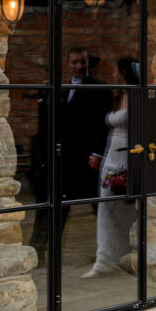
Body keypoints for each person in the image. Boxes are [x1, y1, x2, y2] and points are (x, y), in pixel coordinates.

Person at [82, 58, 139, 278]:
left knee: (126, 210)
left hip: (127, 153)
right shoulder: (119, 95)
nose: (112, 72)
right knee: (106, 207)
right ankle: (104, 259)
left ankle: (125, 257)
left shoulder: (135, 94)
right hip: (111, 153)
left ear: (123, 71)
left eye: (115, 68)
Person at [60, 46, 111, 226]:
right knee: (62, 204)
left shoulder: (99, 88)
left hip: (89, 156)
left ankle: (108, 246)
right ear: (68, 63)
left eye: (83, 62)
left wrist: (97, 153)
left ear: (88, 63)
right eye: (75, 62)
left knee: (97, 204)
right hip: (67, 157)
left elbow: (103, 124)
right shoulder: (63, 88)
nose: (79, 66)